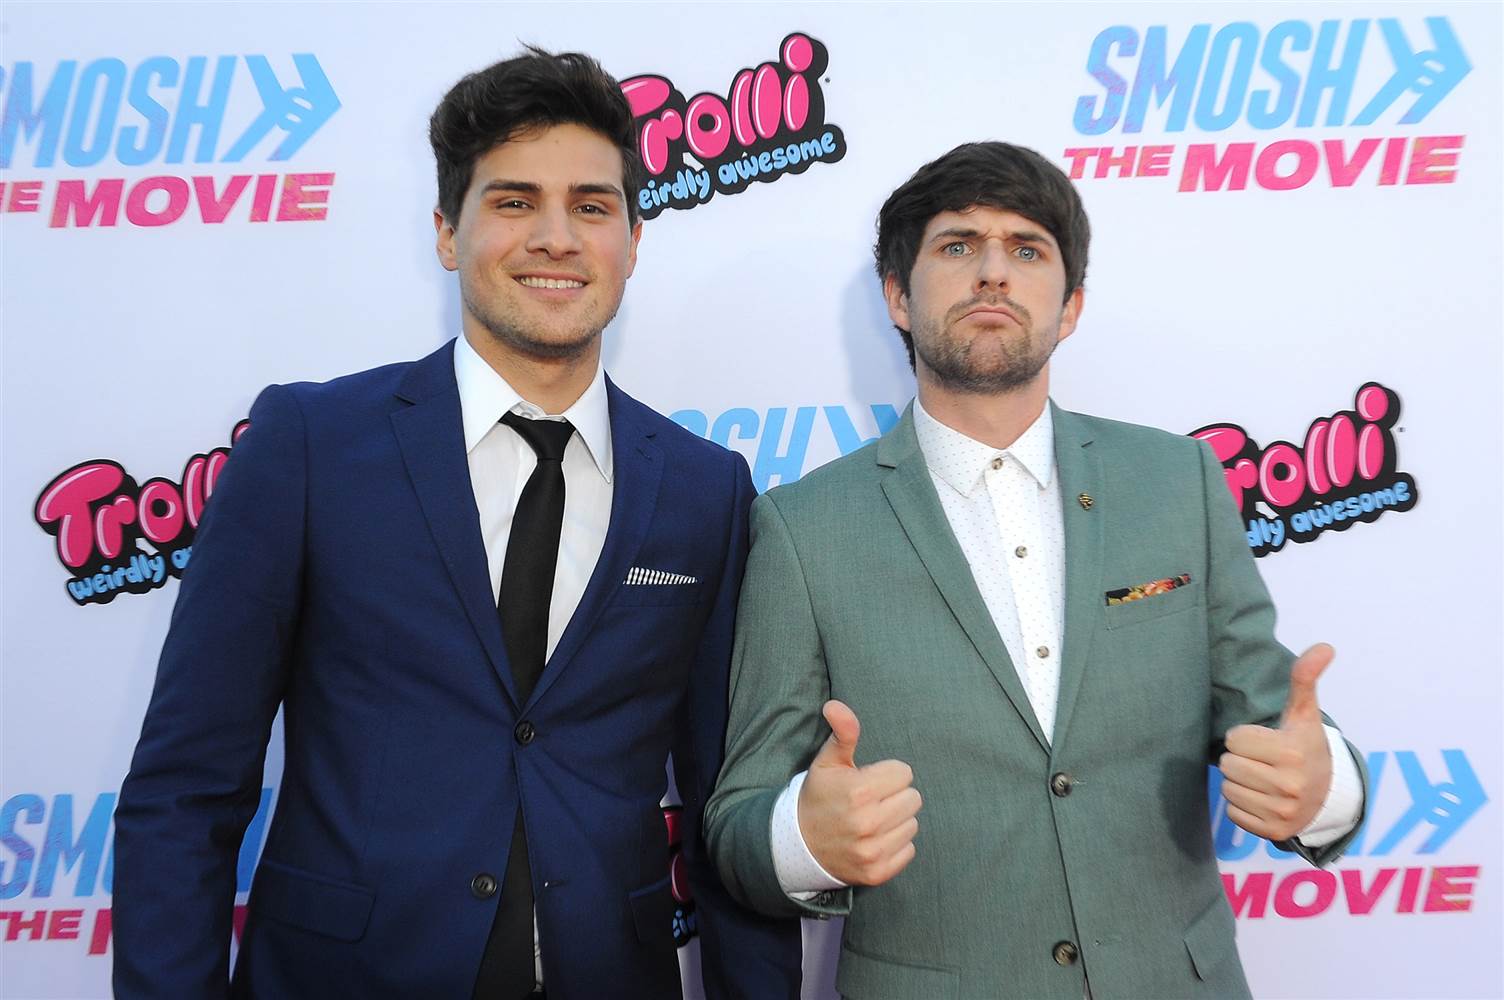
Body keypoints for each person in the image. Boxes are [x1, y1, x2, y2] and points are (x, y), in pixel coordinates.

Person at [113, 47, 801, 999]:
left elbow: (729, 800)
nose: (556, 238)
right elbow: (187, 787)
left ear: (633, 240)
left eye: (591, 206)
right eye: (515, 202)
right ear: (447, 232)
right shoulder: (311, 445)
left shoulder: (705, 487)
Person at [705, 141, 1366, 999]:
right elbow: (739, 819)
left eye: (1026, 249)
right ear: (898, 296)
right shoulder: (804, 527)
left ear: (1071, 306)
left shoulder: (1178, 482)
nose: (992, 272)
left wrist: (1321, 788)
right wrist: (803, 840)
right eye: (957, 245)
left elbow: (1277, 723)